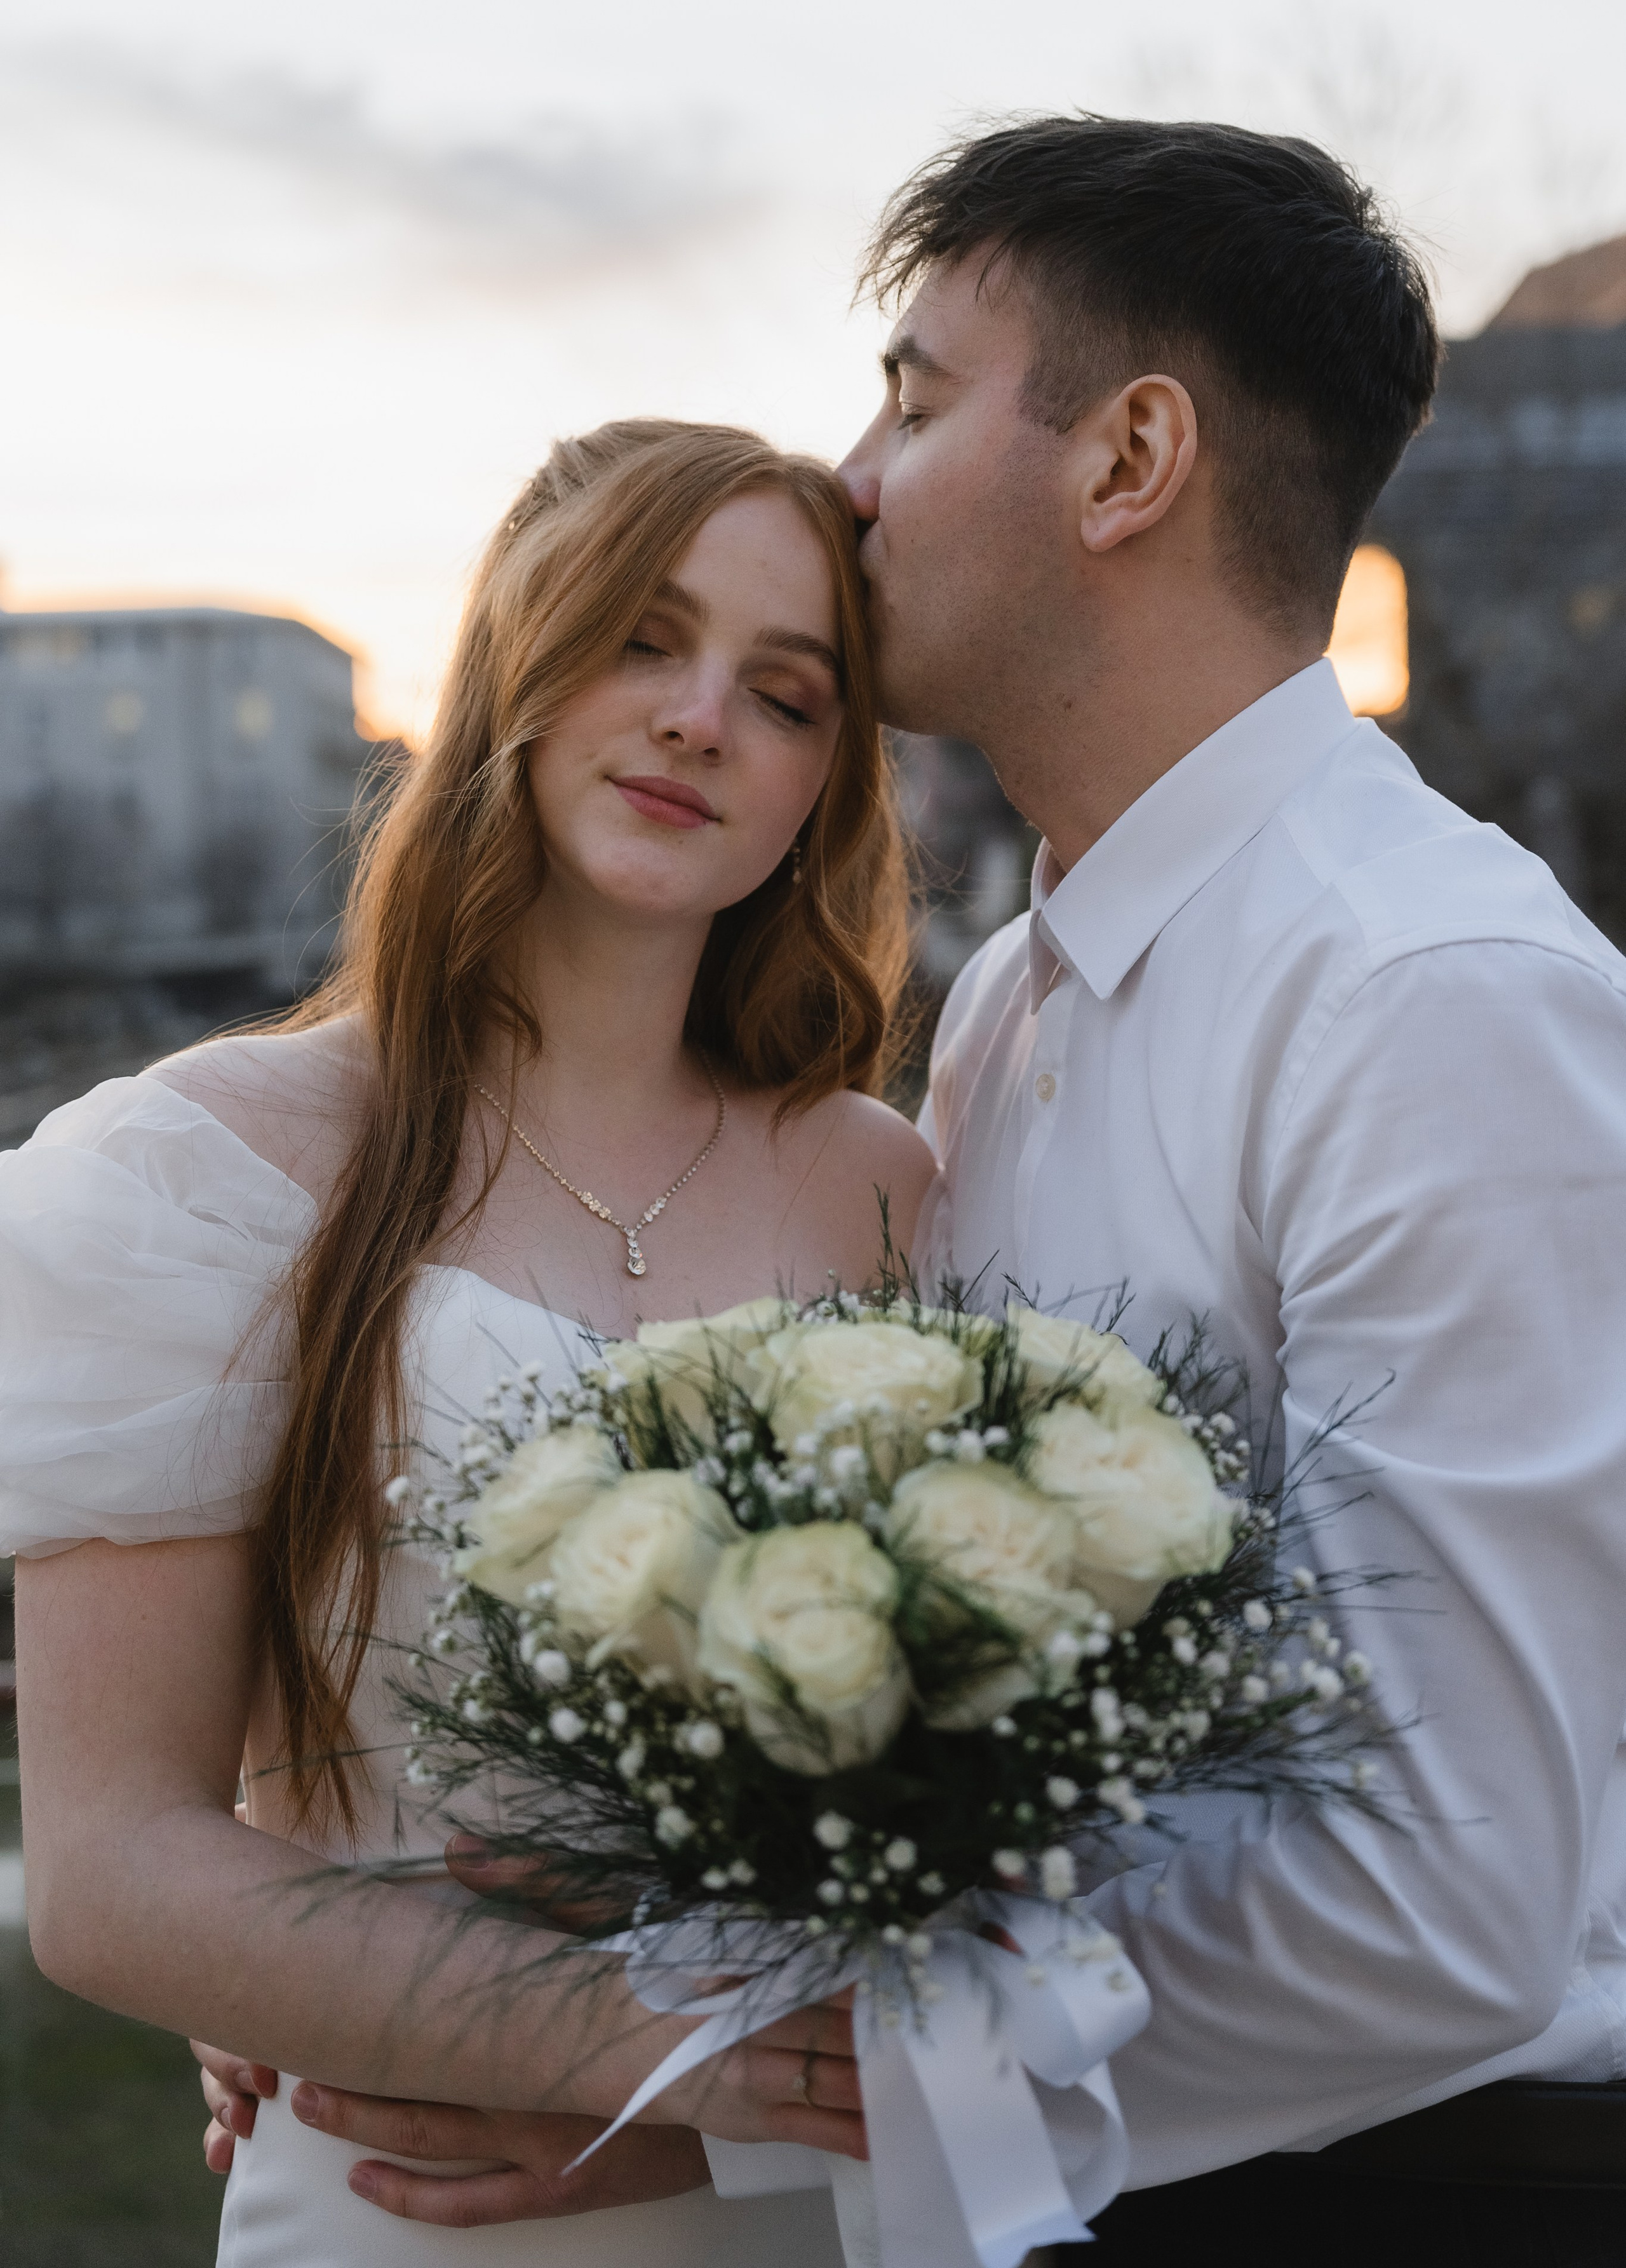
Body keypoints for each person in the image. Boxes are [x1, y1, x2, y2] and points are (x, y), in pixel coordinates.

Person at [213, 116, 1626, 2268]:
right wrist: (363, 1964)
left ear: (1128, 459)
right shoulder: (1010, 1016)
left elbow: (1438, 1893)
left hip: (1422, 2192)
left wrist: (697, 2090)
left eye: (915, 395)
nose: (852, 474)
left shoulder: (1433, 1000)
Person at [1, 418, 939, 2266]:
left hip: (814, 2201)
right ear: (514, 651)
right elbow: (113, 1876)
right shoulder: (207, 1172)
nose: (700, 720)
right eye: (642, 639)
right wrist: (641, 2049)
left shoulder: (889, 1187)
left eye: (786, 692)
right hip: (409, 2194)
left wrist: (724, 2118)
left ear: (828, 781)